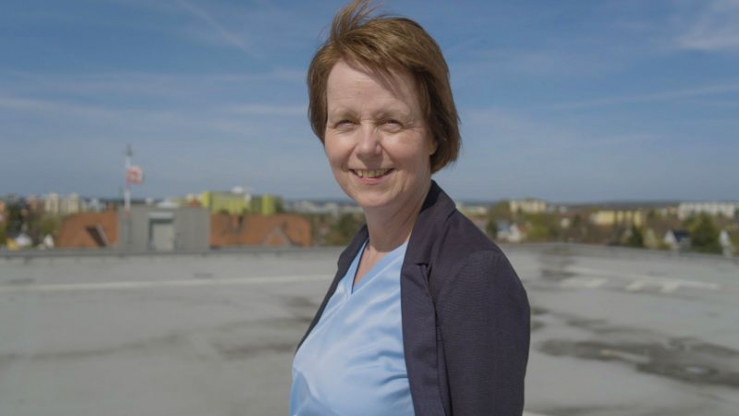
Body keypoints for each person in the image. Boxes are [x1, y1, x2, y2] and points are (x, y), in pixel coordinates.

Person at [290, 1, 530, 415]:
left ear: (434, 135)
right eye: (345, 122)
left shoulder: (472, 276)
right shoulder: (360, 253)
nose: (366, 147)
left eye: (391, 122)